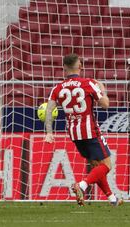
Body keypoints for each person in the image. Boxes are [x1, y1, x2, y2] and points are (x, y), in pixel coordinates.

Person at [44, 53, 123, 206]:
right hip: (91, 131)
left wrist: (49, 132)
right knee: (106, 165)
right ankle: (82, 185)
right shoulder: (88, 83)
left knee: (95, 166)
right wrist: (102, 89)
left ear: (64, 68)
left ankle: (112, 198)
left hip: (74, 133)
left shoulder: (58, 88)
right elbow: (105, 105)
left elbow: (49, 110)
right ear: (80, 67)